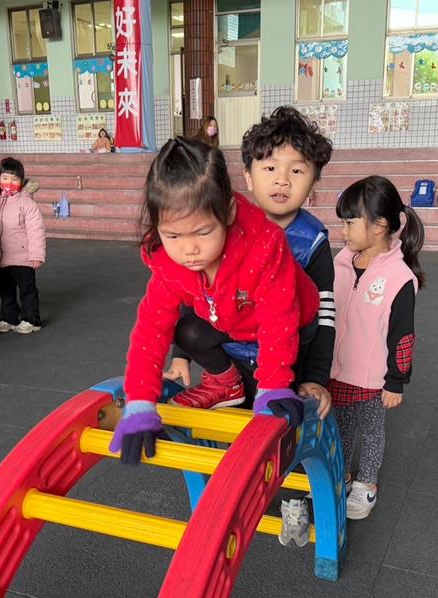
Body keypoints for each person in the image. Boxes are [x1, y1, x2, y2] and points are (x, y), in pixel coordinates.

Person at [109, 137, 318, 466]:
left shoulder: (265, 245)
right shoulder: (167, 259)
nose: (189, 249)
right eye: (173, 235)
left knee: (278, 402)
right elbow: (151, 329)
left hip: (291, 322)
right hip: (230, 319)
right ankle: (226, 382)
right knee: (186, 330)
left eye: (203, 232)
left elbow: (280, 318)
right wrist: (140, 402)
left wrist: (274, 386)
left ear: (229, 212)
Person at [233, 105, 336, 546]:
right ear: (247, 176)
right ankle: (237, 493)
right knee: (237, 431)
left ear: (313, 182)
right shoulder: (228, 228)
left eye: (297, 170)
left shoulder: (312, 241)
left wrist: (315, 377)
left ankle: (294, 499)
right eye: (270, 167)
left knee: (287, 433)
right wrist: (182, 355)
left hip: (287, 361)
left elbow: (325, 314)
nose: (282, 180)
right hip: (235, 358)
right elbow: (196, 289)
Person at [332, 175, 424, 520]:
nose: (343, 230)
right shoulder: (341, 262)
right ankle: (341, 475)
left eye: (350, 222)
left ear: (379, 225)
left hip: (372, 379)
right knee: (339, 429)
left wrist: (396, 381)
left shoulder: (399, 278)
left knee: (371, 433)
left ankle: (366, 484)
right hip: (336, 371)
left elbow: (402, 335)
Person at [0, 157, 46, 334]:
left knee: (27, 289)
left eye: (14, 179)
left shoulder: (27, 203)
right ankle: (8, 317)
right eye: (5, 178)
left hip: (22, 256)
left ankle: (31, 319)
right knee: (5, 289)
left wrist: (37, 255)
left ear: (21, 181)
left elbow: (36, 230)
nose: (9, 183)